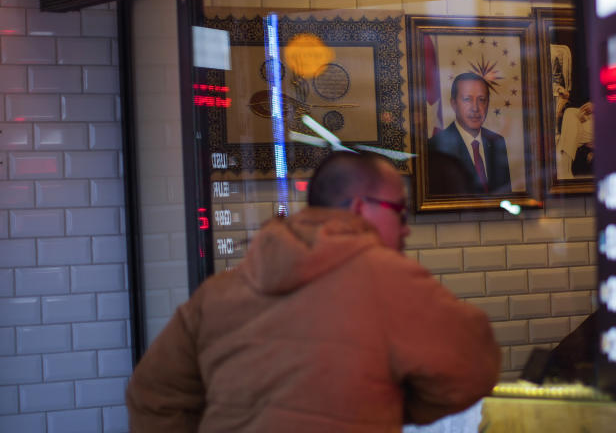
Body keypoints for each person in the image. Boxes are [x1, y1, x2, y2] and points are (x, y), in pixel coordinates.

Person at [126, 152, 500, 432]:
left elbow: (153, 397)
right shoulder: (390, 280)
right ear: (359, 208)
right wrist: (387, 405)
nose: (406, 229)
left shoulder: (220, 291)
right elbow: (474, 369)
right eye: (399, 212)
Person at [427, 73, 511, 195]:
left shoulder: (497, 141)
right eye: (467, 99)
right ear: (453, 104)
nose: (475, 108)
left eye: (481, 100)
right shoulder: (436, 146)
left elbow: (504, 195)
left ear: (487, 104)